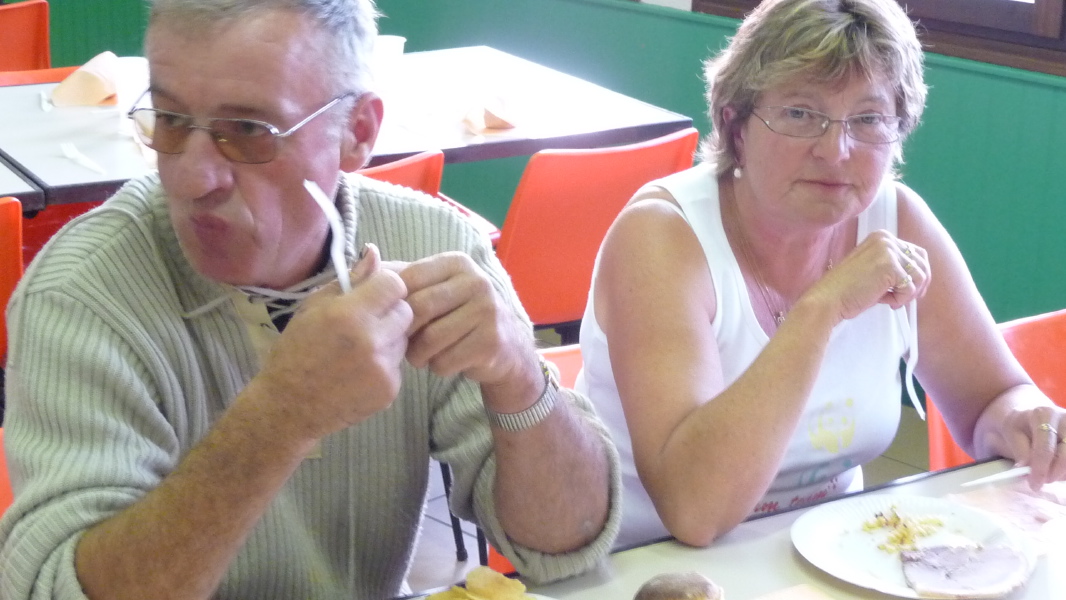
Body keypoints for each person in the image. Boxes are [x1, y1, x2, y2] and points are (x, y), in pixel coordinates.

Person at [0, 1, 621, 598]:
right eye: (170, 119)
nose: (191, 178)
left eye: (248, 131)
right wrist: (281, 415)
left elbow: (567, 542)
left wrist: (521, 378)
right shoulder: (83, 296)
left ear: (357, 132)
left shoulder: (431, 245)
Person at [577, 0, 1066, 550]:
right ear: (735, 127)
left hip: (831, 559)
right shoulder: (662, 237)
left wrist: (1027, 421)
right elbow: (695, 510)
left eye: (868, 119)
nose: (836, 151)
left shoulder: (899, 218)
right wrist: (822, 308)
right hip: (646, 565)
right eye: (800, 114)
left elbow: (991, 401)